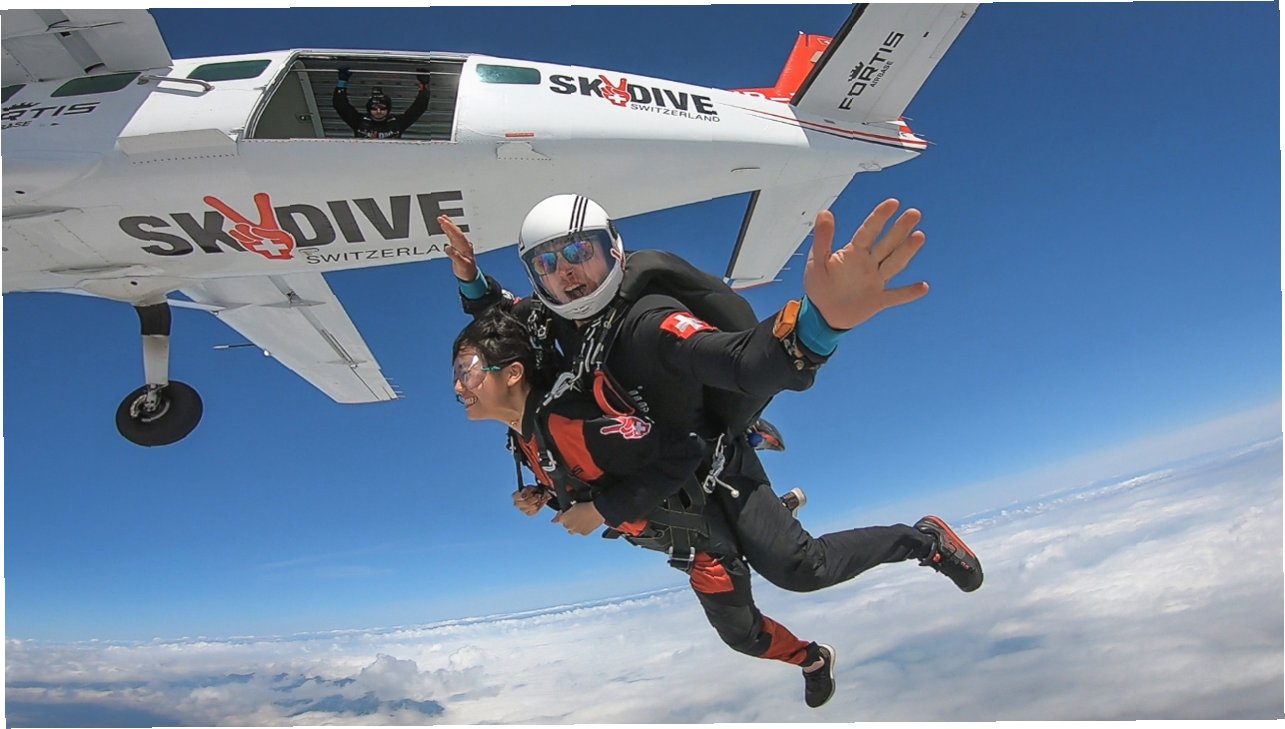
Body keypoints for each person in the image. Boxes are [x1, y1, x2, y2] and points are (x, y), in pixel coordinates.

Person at [441, 195, 983, 705]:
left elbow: (737, 360)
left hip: (711, 464)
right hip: (668, 494)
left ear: (613, 249)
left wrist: (821, 324)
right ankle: (810, 654)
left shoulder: (648, 325)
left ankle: (923, 540)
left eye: (580, 251)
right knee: (740, 632)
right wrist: (471, 278)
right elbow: (500, 325)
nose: (567, 272)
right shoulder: (552, 323)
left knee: (801, 569)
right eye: (548, 264)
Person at [332, 67, 429, 139]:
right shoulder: (359, 121)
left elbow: (418, 108)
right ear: (369, 109)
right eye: (374, 108)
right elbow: (340, 105)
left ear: (388, 109)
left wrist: (424, 86)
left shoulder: (397, 123)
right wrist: (342, 82)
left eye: (383, 108)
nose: (378, 111)